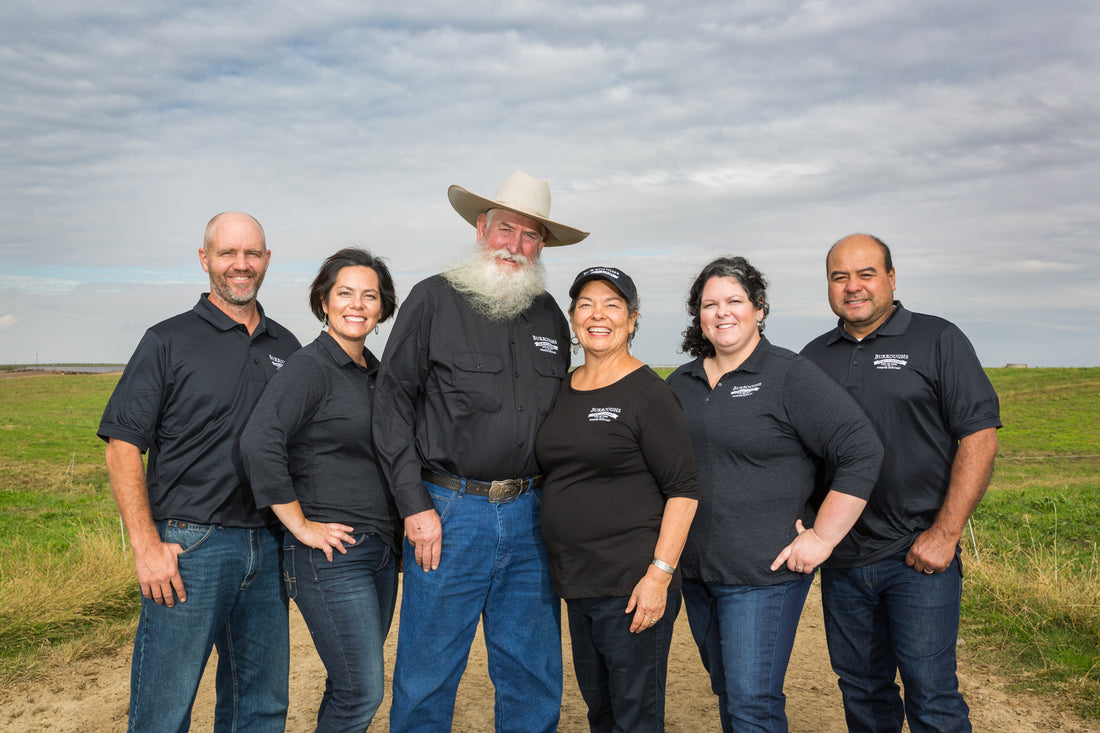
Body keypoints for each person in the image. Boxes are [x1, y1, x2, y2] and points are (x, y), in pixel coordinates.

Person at [373, 171, 589, 733]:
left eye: (531, 234)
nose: (516, 245)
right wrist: (414, 506)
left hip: (531, 517)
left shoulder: (549, 315)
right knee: (427, 676)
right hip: (449, 514)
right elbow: (391, 407)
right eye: (506, 229)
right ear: (480, 229)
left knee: (533, 675)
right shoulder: (432, 299)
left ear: (542, 245)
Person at [97, 212, 301, 732]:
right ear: (204, 259)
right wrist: (146, 546)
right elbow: (123, 446)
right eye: (227, 252)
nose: (240, 264)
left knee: (261, 707)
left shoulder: (287, 347)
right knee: (164, 711)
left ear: (267, 260)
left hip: (269, 545)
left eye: (251, 253)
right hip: (189, 548)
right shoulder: (167, 340)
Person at [666, 256, 883, 733]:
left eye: (735, 301)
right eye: (710, 304)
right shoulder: (680, 384)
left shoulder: (789, 374)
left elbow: (861, 449)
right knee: (729, 691)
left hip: (763, 575)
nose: (722, 312)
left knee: (753, 704)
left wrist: (823, 537)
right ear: (698, 315)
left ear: (759, 308)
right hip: (696, 572)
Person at [801, 233, 1001, 733]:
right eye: (839, 277)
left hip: (917, 556)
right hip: (843, 559)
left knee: (931, 695)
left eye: (866, 274)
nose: (853, 286)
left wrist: (946, 533)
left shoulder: (937, 339)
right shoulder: (813, 357)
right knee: (862, 691)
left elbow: (979, 438)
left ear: (891, 278)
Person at [240, 248, 399, 731]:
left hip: (380, 550)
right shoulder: (309, 367)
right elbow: (259, 440)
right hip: (331, 556)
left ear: (382, 307)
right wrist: (301, 526)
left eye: (369, 295)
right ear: (324, 303)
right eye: (345, 293)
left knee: (347, 684)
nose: (357, 304)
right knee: (362, 691)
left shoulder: (375, 372)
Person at [536, 266, 699, 732]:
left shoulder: (649, 394)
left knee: (635, 716)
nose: (598, 315)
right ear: (572, 318)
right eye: (586, 305)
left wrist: (658, 576)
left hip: (630, 585)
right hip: (577, 582)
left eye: (612, 305)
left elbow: (684, 491)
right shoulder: (563, 388)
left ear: (632, 319)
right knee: (601, 712)